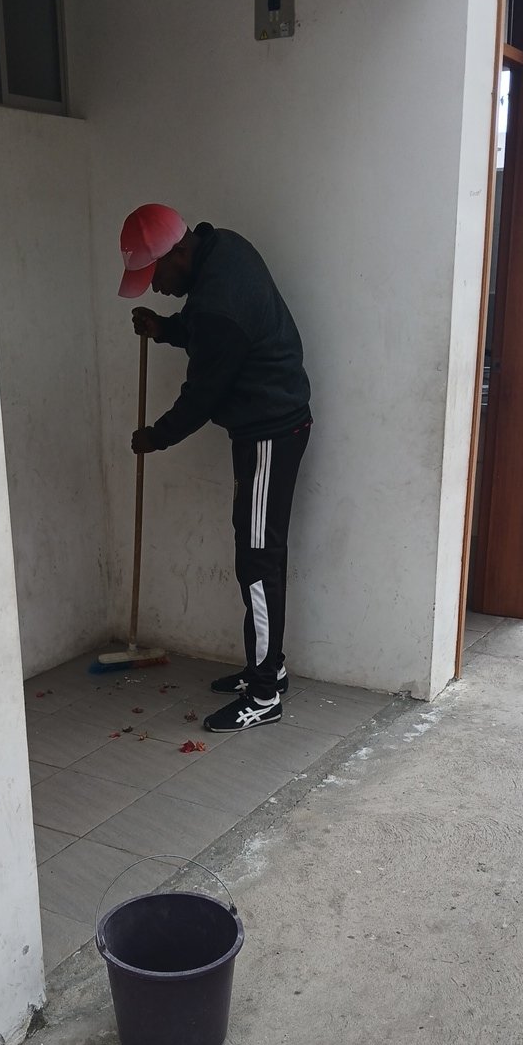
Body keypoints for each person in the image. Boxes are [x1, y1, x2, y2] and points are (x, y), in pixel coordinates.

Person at [118, 203, 313, 732]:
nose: (156, 287)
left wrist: (156, 436)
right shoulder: (223, 246)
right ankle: (268, 669)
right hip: (262, 426)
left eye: (156, 275)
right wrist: (166, 329)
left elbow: (202, 393)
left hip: (270, 431)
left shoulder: (217, 304)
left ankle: (265, 693)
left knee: (257, 559)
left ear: (179, 253)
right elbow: (212, 329)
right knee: (256, 549)